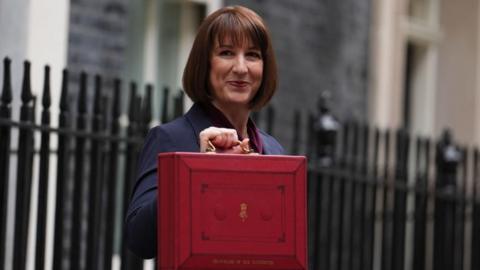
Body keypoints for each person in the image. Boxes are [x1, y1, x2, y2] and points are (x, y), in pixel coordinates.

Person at [125, 5, 284, 259]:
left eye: (252, 55)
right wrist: (197, 170)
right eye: (227, 53)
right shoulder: (170, 138)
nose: (241, 68)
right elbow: (139, 239)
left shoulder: (273, 150)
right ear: (205, 64)